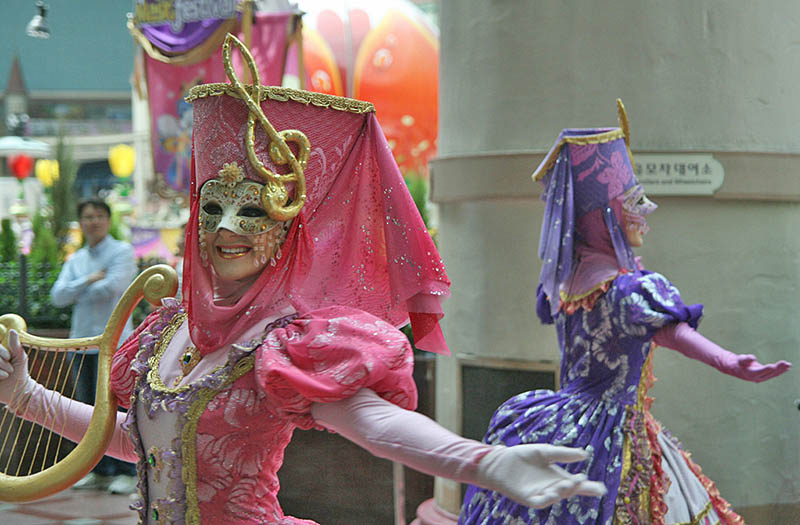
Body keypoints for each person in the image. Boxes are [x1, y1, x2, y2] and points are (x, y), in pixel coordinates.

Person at [0, 34, 605, 523]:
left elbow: (374, 424)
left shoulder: (286, 344)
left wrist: (483, 463)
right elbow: (137, 443)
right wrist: (26, 399)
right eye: (212, 207)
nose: (225, 227)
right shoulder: (170, 331)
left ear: (288, 232)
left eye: (252, 211)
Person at [458, 101, 792, 524]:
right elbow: (672, 334)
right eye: (633, 200)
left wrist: (729, 361)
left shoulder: (565, 284)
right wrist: (727, 361)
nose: (646, 211)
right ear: (605, 215)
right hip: (612, 434)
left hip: (560, 419)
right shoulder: (625, 288)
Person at [49, 197, 139, 494]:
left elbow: (112, 288)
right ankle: (99, 471)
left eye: (99, 215)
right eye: (88, 216)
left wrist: (78, 289)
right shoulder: (77, 259)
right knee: (87, 410)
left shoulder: (122, 252)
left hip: (113, 345)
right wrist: (87, 280)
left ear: (108, 219)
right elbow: (58, 297)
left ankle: (127, 470)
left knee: (117, 407)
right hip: (81, 344)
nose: (94, 221)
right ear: (81, 222)